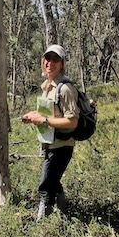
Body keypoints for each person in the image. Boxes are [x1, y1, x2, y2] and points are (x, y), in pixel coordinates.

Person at [21, 44, 79, 221]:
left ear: (62, 64)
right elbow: (50, 113)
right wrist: (34, 116)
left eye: (56, 59)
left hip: (62, 145)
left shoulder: (66, 88)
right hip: (50, 143)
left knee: (46, 186)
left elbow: (73, 120)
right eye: (48, 58)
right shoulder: (47, 86)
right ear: (42, 61)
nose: (50, 62)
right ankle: (65, 215)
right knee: (54, 182)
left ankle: (41, 228)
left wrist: (44, 121)